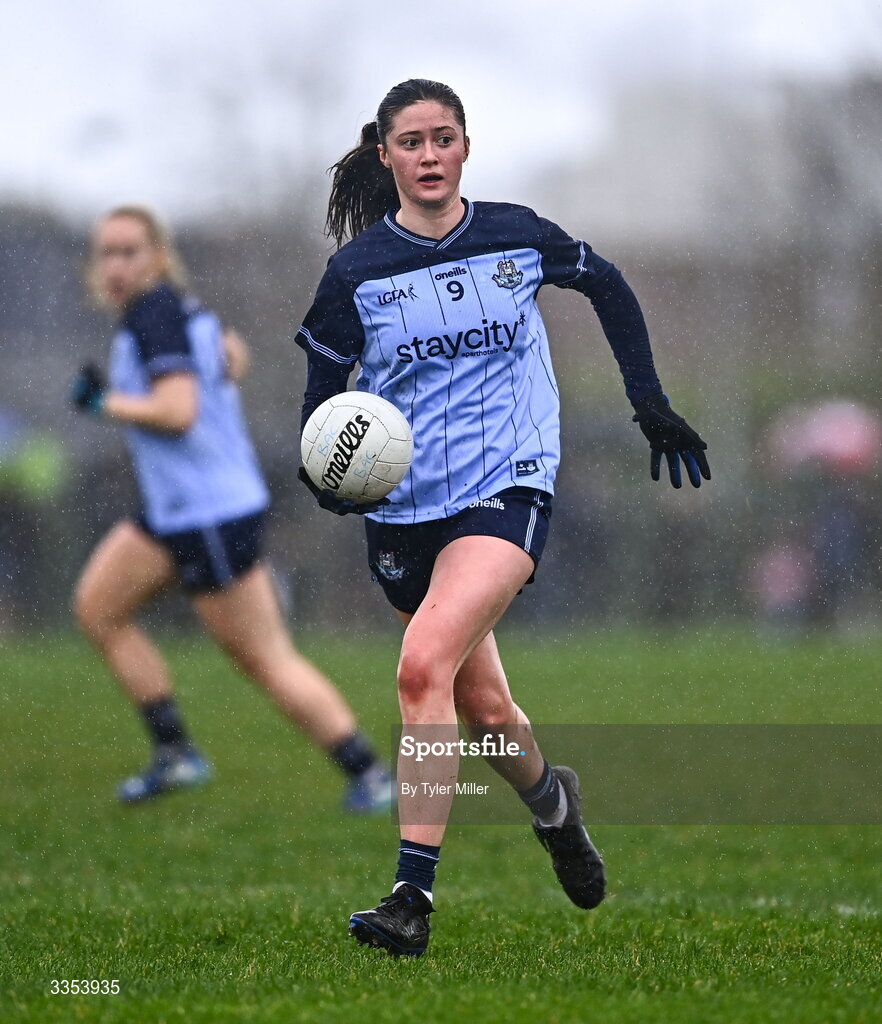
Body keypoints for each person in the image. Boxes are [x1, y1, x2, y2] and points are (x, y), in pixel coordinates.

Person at [295, 80, 710, 957]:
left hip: (506, 485)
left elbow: (610, 285)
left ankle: (411, 898)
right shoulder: (355, 273)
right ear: (387, 155)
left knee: (421, 672)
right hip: (406, 510)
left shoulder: (514, 233)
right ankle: (553, 805)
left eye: (445, 137)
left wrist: (650, 402)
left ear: (466, 147)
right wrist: (330, 478)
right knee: (482, 706)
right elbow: (321, 406)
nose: (431, 154)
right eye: (413, 141)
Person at [71, 205, 392, 812]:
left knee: (265, 660)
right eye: (105, 252)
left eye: (130, 251)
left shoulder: (155, 316)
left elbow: (178, 411)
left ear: (159, 257)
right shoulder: (175, 311)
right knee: (99, 607)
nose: (115, 265)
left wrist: (105, 402)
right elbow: (234, 356)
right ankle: (176, 753)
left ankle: (368, 772)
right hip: (178, 511)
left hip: (210, 515)